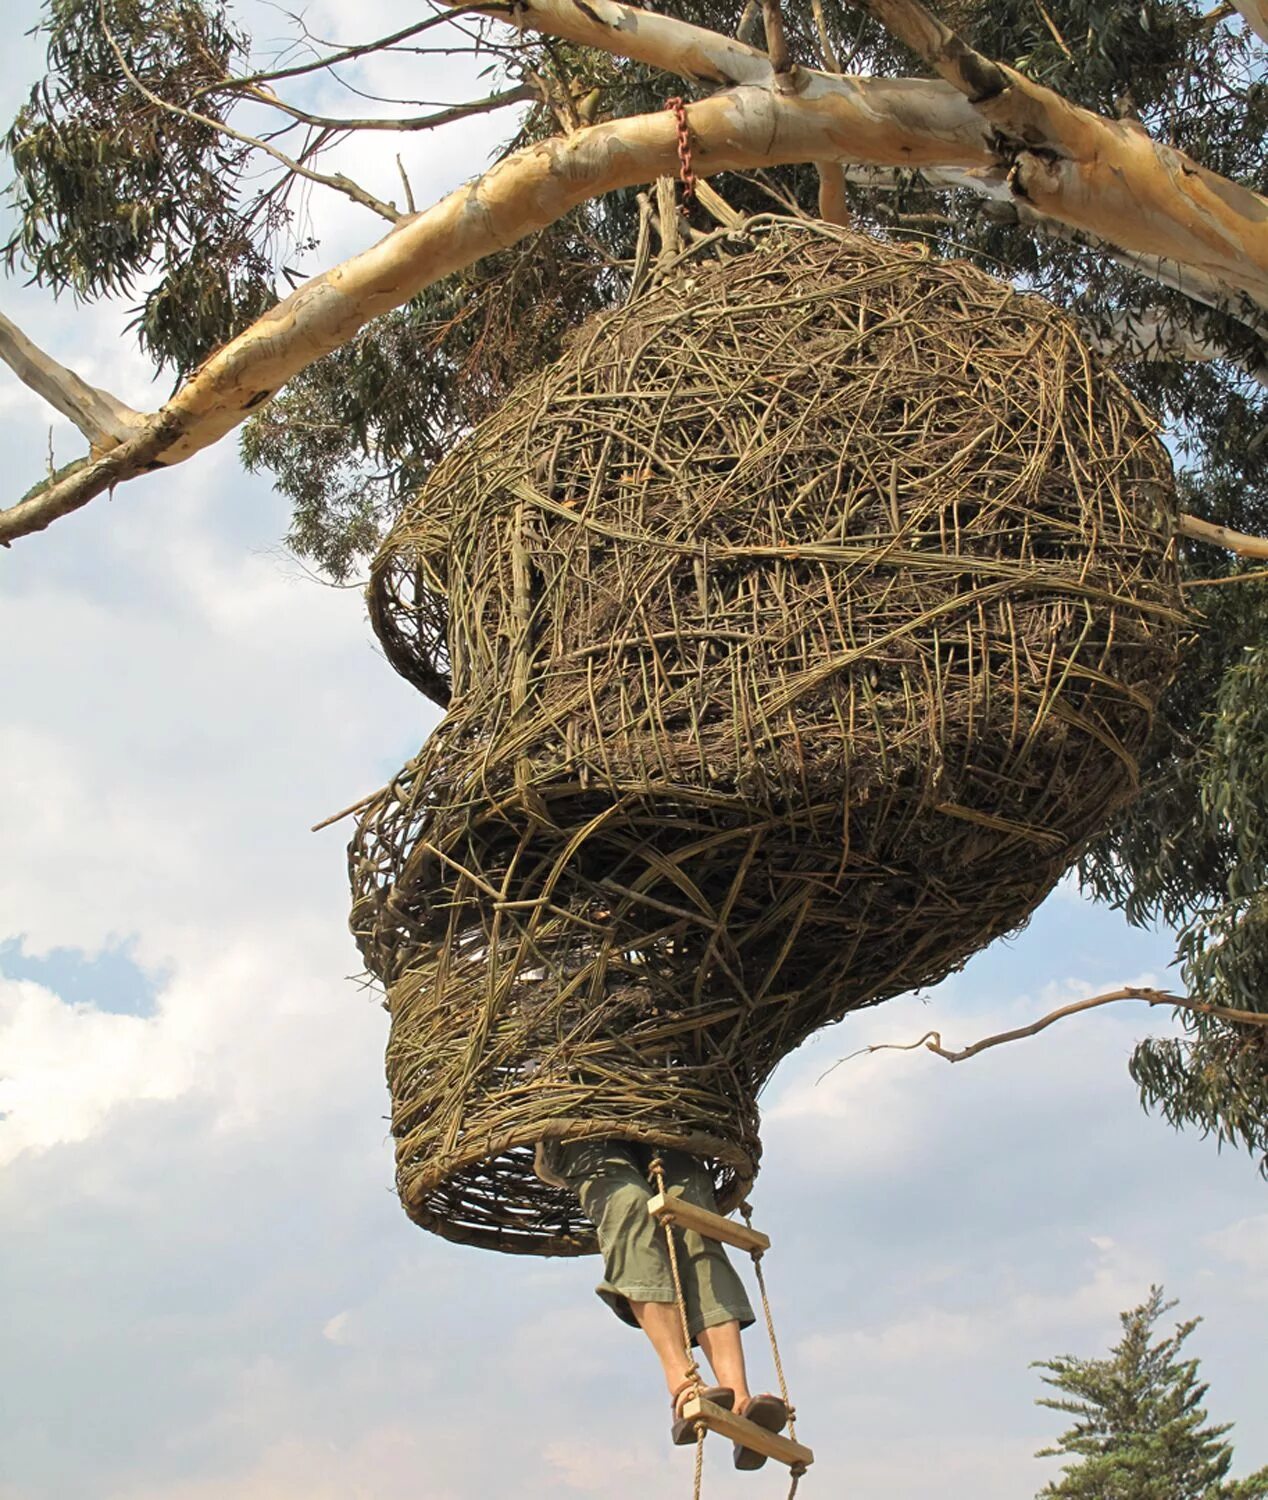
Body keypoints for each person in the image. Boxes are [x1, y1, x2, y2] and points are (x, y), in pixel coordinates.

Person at [536, 1137, 788, 1468]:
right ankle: (683, 1384)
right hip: (583, 1132)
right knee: (628, 1203)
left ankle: (740, 1400)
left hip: (667, 1123)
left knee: (696, 1220)